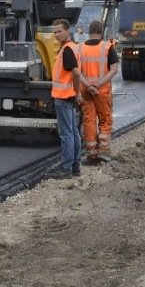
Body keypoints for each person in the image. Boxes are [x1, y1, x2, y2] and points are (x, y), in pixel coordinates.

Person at [77, 20, 120, 163]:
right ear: (101, 32)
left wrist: (87, 85)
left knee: (89, 120)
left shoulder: (80, 48)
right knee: (105, 119)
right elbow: (114, 70)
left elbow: (76, 72)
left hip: (85, 90)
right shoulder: (108, 48)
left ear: (89, 32)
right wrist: (98, 84)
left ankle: (91, 154)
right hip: (102, 91)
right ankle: (104, 152)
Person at [49, 18, 83, 179]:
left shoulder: (67, 50)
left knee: (66, 134)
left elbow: (75, 73)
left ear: (67, 30)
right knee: (74, 132)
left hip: (63, 97)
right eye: (54, 32)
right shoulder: (73, 47)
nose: (56, 34)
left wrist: (78, 92)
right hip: (68, 96)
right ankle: (75, 166)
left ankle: (66, 168)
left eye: (59, 31)